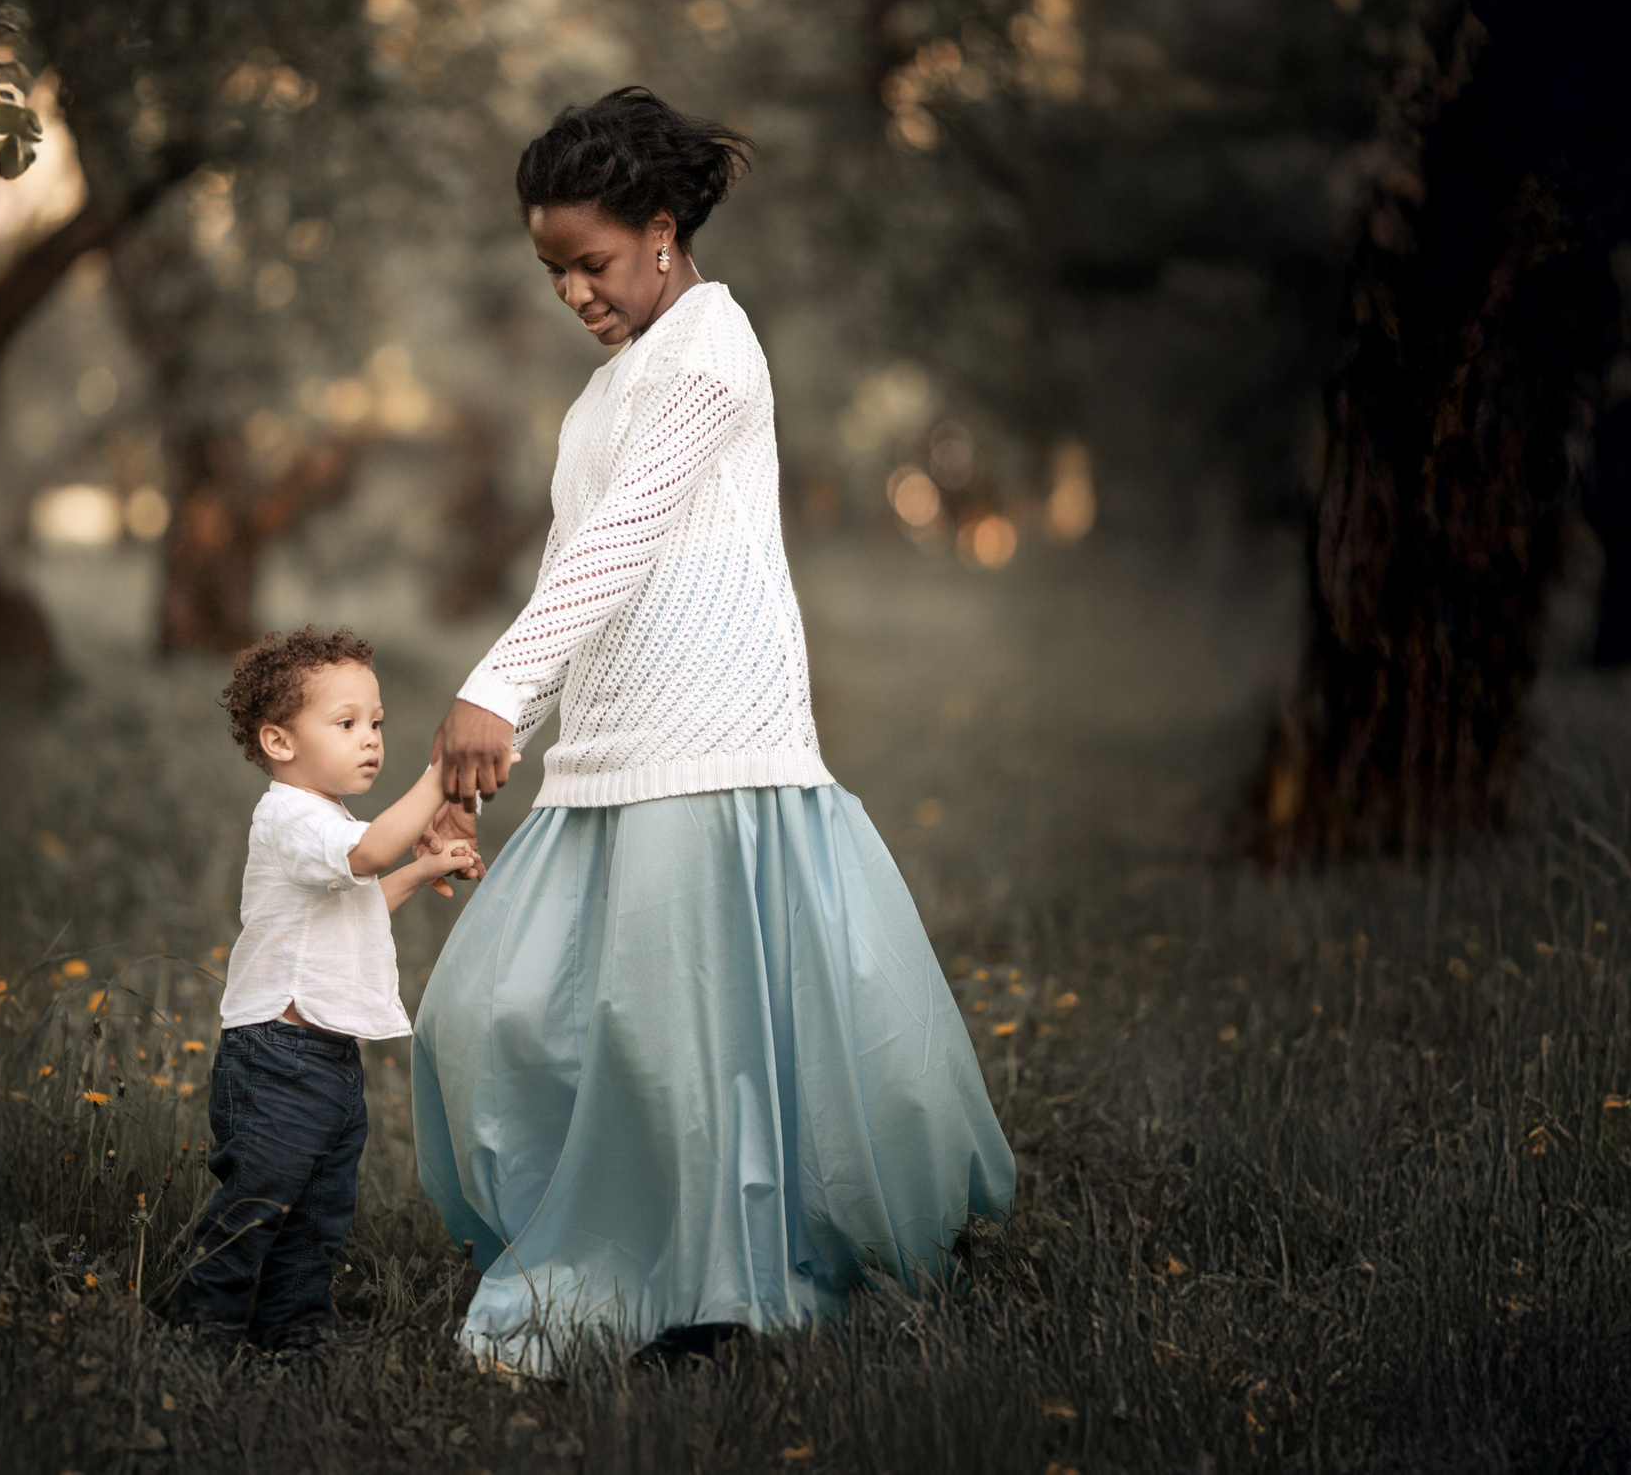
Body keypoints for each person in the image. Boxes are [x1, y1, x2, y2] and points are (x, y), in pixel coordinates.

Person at [411, 88, 1015, 1372]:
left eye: (593, 261)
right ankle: (626, 1242)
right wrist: (513, 720)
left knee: (690, 1044)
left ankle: (720, 1291)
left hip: (713, 745)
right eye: (552, 271)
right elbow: (583, 569)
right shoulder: (607, 388)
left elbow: (626, 538)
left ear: (665, 231)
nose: (574, 291)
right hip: (610, 757)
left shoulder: (712, 348)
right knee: (497, 1011)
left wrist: (492, 683)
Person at [166, 626, 481, 1349]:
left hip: (329, 1058)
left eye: (375, 722)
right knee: (257, 1200)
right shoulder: (291, 817)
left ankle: (293, 1332)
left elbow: (356, 895)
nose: (369, 738)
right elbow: (368, 853)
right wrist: (440, 775)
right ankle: (200, 1329)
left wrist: (419, 870)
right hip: (277, 1056)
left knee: (319, 1211)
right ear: (280, 741)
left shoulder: (327, 821)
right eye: (345, 724)